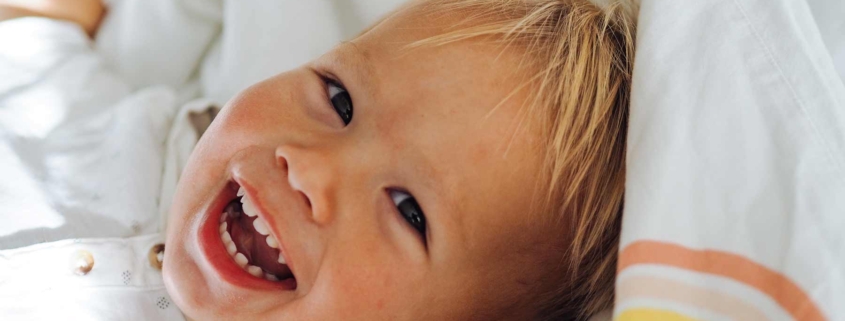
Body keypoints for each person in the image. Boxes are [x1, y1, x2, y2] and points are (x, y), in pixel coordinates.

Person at [0, 0, 634, 320]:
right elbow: (33, 25)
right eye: (339, 100)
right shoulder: (122, 124)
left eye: (409, 211)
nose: (310, 169)